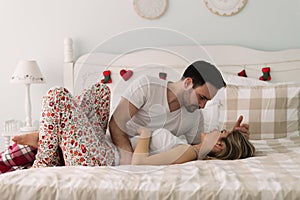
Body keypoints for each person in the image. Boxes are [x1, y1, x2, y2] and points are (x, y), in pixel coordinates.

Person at [109, 60, 250, 164]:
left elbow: (197, 149)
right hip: (117, 150)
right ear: (188, 83)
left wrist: (233, 139)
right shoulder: (147, 87)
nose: (203, 106)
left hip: (143, 159)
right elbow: (116, 123)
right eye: (202, 98)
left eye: (207, 101)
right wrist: (126, 160)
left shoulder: (195, 117)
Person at [131, 128, 255, 165]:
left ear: (218, 145)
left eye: (221, 131)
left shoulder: (189, 151)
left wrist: (145, 133)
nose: (215, 129)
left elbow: (139, 162)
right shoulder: (188, 146)